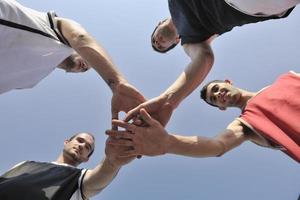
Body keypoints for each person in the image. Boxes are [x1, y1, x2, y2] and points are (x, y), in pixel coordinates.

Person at [124, 0, 300, 127]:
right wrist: (168, 101)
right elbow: (204, 59)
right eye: (161, 46)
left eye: (154, 40)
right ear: (176, 42)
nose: (158, 42)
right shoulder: (189, 40)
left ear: (159, 23)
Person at [106, 71, 300, 163]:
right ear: (222, 108)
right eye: (214, 99)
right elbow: (218, 145)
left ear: (228, 81)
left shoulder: (286, 79)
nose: (218, 95)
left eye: (216, 89)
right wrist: (168, 143)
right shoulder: (246, 123)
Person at [0, 0, 145, 122]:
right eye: (88, 61)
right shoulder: (52, 27)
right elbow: (79, 37)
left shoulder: (31, 80)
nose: (84, 67)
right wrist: (118, 84)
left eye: (84, 70)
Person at [0, 132, 135, 199]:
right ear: (66, 142)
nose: (82, 145)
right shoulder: (25, 164)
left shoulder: (78, 179)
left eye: (87, 147)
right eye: (80, 140)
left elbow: (100, 177)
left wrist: (113, 160)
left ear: (87, 158)